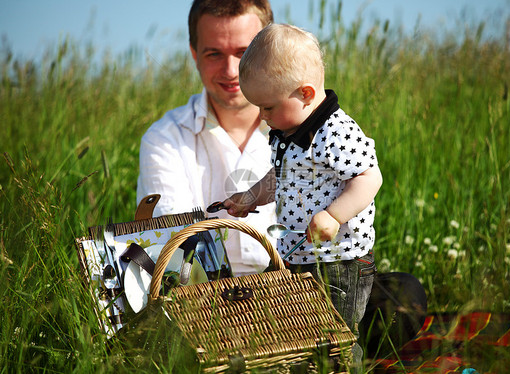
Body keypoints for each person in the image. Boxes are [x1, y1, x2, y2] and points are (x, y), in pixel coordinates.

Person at [223, 23, 384, 370]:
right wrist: (251, 196)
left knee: (333, 338)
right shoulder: (288, 130)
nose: (263, 118)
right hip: (295, 255)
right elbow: (281, 177)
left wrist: (334, 215)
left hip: (337, 262)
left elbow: (369, 178)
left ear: (306, 94)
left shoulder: (336, 133)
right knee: (284, 330)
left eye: (267, 108)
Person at [136, 0, 277, 277]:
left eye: (244, 52)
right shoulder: (164, 139)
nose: (231, 70)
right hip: (202, 308)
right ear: (194, 54)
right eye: (214, 54)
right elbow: (177, 251)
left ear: (269, 51)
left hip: (301, 299)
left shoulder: (312, 132)